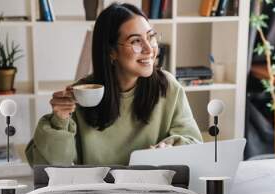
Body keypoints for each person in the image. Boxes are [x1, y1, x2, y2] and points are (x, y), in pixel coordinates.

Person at [25, 3, 202, 166]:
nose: (149, 49)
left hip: (150, 193)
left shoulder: (168, 88)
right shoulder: (81, 95)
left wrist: (168, 149)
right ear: (111, 52)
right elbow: (47, 168)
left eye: (151, 37)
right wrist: (59, 121)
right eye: (136, 41)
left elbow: (194, 144)